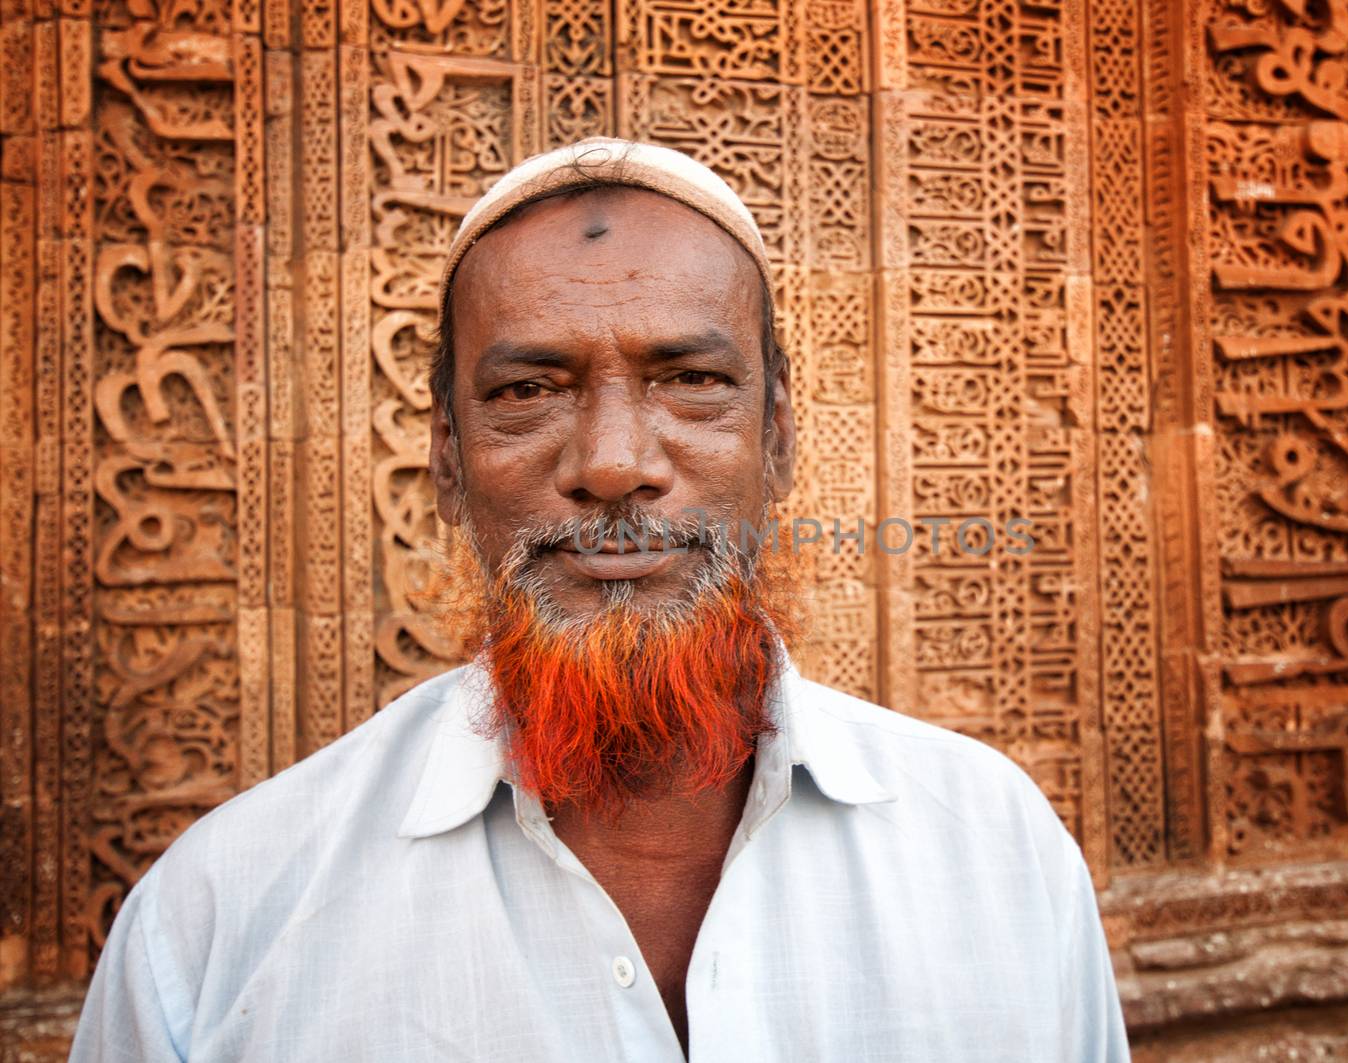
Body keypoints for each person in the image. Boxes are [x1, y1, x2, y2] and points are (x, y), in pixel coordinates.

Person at [71, 138, 1130, 1062]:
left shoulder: (994, 853)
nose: (614, 464)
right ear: (446, 457)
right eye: (528, 391)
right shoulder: (220, 925)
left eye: (690, 381)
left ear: (779, 438)